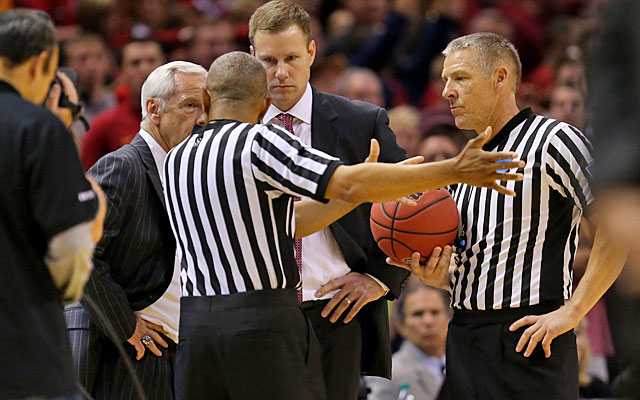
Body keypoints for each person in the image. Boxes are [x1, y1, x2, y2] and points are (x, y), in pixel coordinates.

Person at [166, 50, 524, 400]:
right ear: (263, 104)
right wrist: (452, 169)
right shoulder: (260, 141)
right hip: (259, 325)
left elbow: (292, 224)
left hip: (195, 328)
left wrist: (355, 196)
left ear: (208, 98)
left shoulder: (177, 156)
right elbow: (348, 181)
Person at [394, 32, 626, 400]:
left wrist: (574, 310)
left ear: (500, 78)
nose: (447, 92)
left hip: (533, 334)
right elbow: (488, 260)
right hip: (465, 337)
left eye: (461, 78)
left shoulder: (554, 140)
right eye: (445, 81)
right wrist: (443, 277)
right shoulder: (464, 161)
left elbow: (620, 224)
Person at [248, 2, 410, 398]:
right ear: (252, 57)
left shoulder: (361, 122)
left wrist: (379, 278)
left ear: (312, 53)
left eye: (291, 58)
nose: (281, 72)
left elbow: (414, 199)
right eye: (268, 60)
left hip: (335, 314)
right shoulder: (233, 128)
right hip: (255, 315)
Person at [64, 61, 207, 400]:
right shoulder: (123, 165)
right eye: (190, 105)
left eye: (206, 107)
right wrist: (128, 326)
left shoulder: (187, 169)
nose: (202, 118)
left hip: (167, 345)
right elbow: (80, 252)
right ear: (153, 109)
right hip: (120, 346)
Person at [0, 9, 105, 400]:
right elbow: (73, 242)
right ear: (43, 60)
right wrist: (65, 291)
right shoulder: (38, 128)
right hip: (24, 354)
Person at [81, 39, 165, 169]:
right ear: (120, 72)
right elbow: (88, 177)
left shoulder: (183, 117)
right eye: (135, 63)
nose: (145, 69)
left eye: (151, 61)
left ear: (165, 66)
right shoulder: (105, 124)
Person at [365, 284, 451, 400]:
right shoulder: (390, 374)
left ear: (449, 319)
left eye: (435, 312)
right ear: (401, 325)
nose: (428, 321)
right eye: (418, 314)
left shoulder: (466, 365)